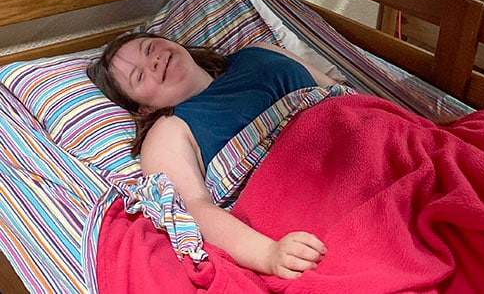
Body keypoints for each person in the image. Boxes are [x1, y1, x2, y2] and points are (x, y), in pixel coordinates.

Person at [87, 31, 337, 279]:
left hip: (353, 134)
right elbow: (196, 209)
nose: (153, 61)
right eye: (139, 76)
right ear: (145, 107)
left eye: (149, 48)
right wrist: (269, 254)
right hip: (310, 202)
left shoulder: (260, 50)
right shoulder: (167, 132)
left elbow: (338, 91)